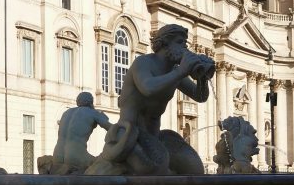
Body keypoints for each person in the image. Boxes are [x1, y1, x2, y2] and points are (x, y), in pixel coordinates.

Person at [110, 23, 215, 175]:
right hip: (129, 136)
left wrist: (202, 78)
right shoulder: (144, 63)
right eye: (180, 42)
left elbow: (200, 96)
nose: (185, 48)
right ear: (165, 43)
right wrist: (180, 72)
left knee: (193, 168)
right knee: (156, 170)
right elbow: (148, 88)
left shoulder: (173, 72)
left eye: (185, 44)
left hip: (153, 139)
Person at [51, 92, 111, 173]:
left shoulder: (66, 113)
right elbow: (111, 128)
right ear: (91, 102)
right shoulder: (92, 112)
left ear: (77, 101)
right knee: (107, 164)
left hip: (57, 156)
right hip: (76, 157)